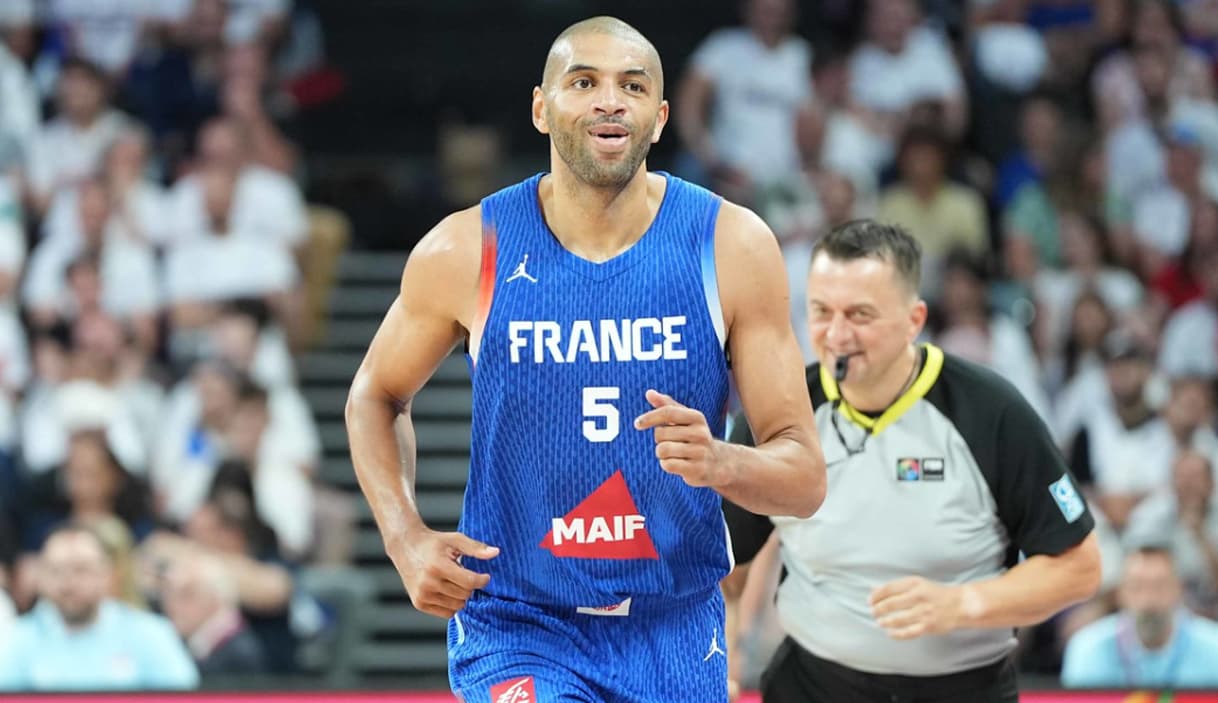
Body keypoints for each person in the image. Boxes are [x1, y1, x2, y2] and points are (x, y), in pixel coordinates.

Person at [344, 16, 826, 703]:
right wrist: (403, 534)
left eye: (632, 86)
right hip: (519, 621)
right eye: (584, 81)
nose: (609, 100)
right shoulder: (464, 249)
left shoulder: (732, 246)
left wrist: (724, 461)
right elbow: (373, 395)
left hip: (675, 622)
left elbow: (804, 476)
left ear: (659, 120)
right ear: (541, 108)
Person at [722, 219, 1102, 702]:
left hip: (963, 688)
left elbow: (1080, 566)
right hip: (814, 685)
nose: (837, 334)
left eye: (860, 314)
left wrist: (963, 603)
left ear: (914, 320)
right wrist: (724, 652)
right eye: (821, 311)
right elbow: (724, 564)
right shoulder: (777, 411)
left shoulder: (991, 411)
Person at [0, 524, 198, 691]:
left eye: (81, 570)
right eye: (56, 571)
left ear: (108, 575)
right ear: (41, 578)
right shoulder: (17, 637)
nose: (68, 583)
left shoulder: (150, 633)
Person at [1062, 545, 1218, 689]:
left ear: (1179, 590)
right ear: (1120, 593)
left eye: (1160, 587)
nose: (1148, 600)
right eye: (1137, 587)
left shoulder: (1213, 648)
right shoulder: (1088, 650)